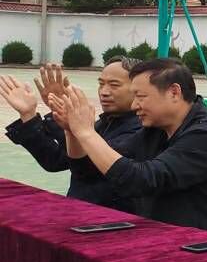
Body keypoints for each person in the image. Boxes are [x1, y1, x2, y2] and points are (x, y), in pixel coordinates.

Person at [49, 59, 207, 235]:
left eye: (140, 96)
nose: (134, 105)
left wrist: (87, 132)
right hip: (169, 239)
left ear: (174, 92)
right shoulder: (155, 131)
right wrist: (71, 130)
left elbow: (142, 181)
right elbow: (87, 171)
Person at [2, 60, 141, 210]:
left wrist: (72, 125)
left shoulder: (142, 130)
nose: (104, 92)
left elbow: (86, 167)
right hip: (77, 212)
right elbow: (56, 160)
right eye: (101, 84)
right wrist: (28, 115)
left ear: (138, 88)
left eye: (114, 85)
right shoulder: (104, 123)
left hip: (115, 218)